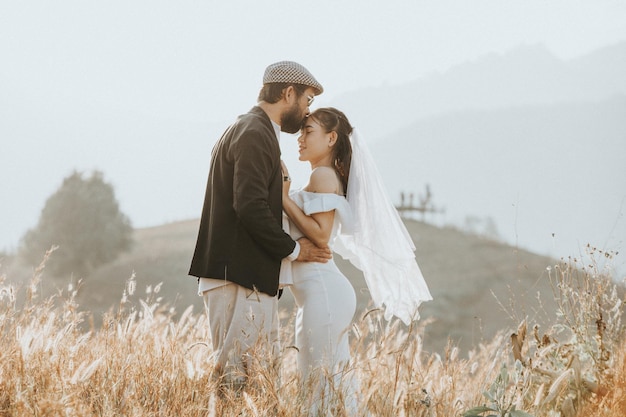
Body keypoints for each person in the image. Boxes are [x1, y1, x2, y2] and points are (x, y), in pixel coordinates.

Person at [188, 61, 332, 393]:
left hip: (242, 277)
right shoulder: (254, 133)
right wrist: (295, 250)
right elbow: (249, 206)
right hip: (238, 277)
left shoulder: (250, 129)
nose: (308, 110)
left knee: (256, 384)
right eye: (307, 100)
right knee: (237, 384)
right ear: (289, 93)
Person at [280, 107, 433, 414]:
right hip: (321, 294)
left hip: (322, 292)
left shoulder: (322, 175)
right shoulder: (322, 176)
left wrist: (282, 198)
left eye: (308, 132)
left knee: (317, 385)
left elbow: (321, 236)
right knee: (328, 383)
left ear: (331, 138)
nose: (300, 139)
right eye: (300, 133)